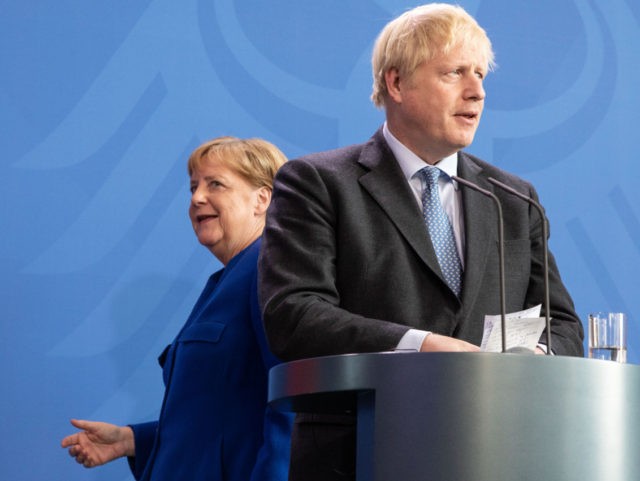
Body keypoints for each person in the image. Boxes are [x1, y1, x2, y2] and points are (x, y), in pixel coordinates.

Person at [258, 4, 584, 480]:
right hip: (361, 452)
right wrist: (422, 346)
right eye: (454, 73)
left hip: (495, 451)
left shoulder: (514, 200)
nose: (477, 92)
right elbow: (294, 315)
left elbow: (563, 325)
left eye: (480, 75)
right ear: (396, 84)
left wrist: (528, 361)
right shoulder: (319, 182)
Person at [61, 136, 292, 481]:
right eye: (194, 186)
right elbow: (219, 420)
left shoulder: (269, 270)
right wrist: (129, 440)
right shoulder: (225, 282)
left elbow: (292, 402)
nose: (198, 197)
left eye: (216, 184)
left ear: (262, 198)